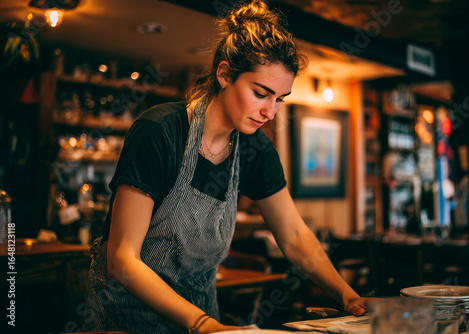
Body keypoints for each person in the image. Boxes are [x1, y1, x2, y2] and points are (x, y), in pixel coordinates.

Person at [83, 1, 371, 333]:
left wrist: (348, 296)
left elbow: (293, 236)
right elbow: (122, 258)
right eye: (261, 93)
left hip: (202, 316)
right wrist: (204, 325)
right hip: (127, 318)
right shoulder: (159, 132)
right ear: (223, 74)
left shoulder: (254, 148)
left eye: (279, 99)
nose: (270, 112)